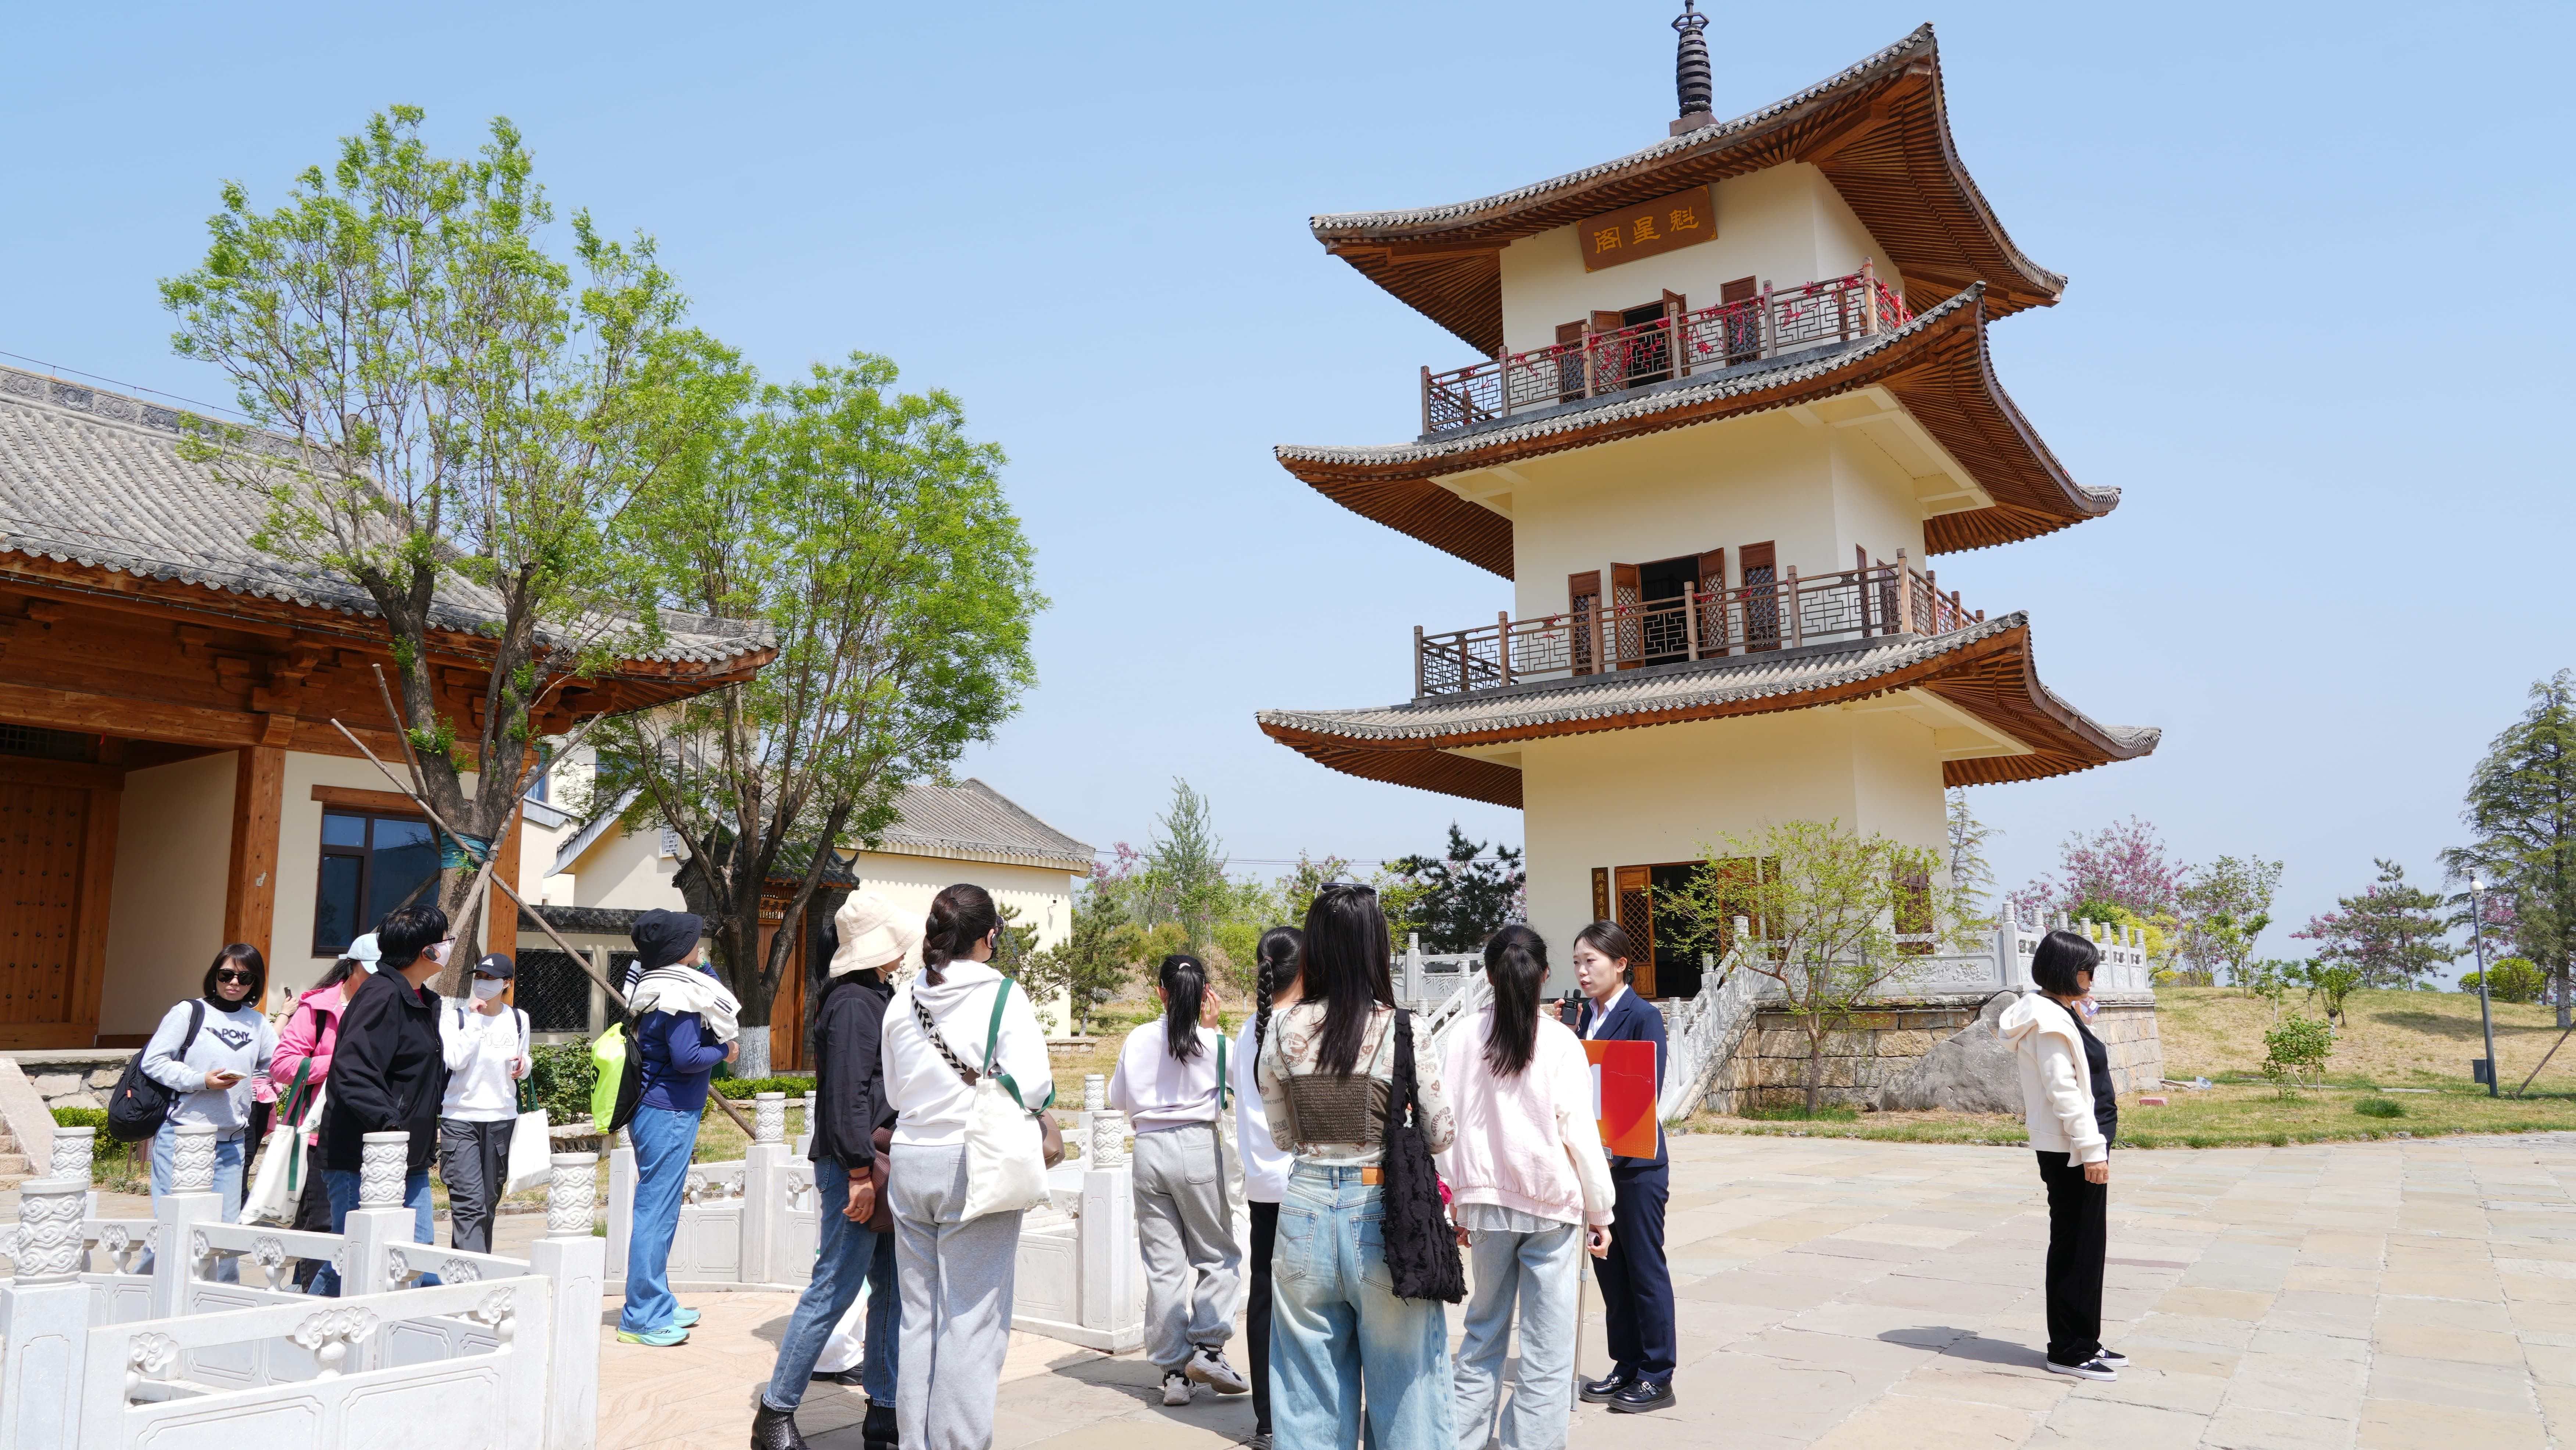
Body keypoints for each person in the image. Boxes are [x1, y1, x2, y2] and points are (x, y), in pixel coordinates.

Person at [1256, 882, 1457, 1450]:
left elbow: (1281, 1136)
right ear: (1376, 947)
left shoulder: (1280, 1028)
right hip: (1384, 1217)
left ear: (1316, 948)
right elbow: (1442, 1134)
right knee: (1407, 1394)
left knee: (1306, 1397)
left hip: (1303, 1215)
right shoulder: (1402, 1028)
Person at [881, 883, 1056, 1450]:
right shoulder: (1005, 995)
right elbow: (1034, 1087)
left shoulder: (902, 999)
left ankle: (914, 1441)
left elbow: (894, 1086)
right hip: (975, 1161)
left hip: (911, 1160)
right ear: (989, 935)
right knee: (972, 1322)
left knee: (918, 1318)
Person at [1441, 925, 1615, 1450]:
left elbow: (1444, 1123)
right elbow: (1579, 1135)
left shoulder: (1463, 1036)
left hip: (1488, 1204)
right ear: (1544, 976)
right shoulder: (1562, 1042)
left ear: (1490, 976)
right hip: (1551, 1208)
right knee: (1547, 1351)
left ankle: (1460, 1441)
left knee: (1481, 1335)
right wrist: (1601, 1212)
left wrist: (1461, 1201)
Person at [752, 891, 912, 1450]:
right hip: (857, 1163)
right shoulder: (851, 1002)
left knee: (891, 1287)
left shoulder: (875, 994)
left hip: (880, 1161)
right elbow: (847, 1096)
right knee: (835, 1287)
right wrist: (860, 1173)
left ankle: (885, 1407)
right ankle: (776, 1411)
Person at [1109, 953, 1248, 1409]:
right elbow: (1239, 1093)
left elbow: (1118, 1099)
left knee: (1164, 1265)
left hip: (1148, 1150)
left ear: (1161, 992)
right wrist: (1212, 1029)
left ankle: (1173, 1371)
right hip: (1195, 1146)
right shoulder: (1216, 1042)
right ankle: (1208, 1348)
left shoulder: (1137, 1037)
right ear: (1206, 992)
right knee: (1217, 1252)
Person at [1998, 929, 2124, 1382]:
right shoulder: (2047, 1022)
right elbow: (2064, 1091)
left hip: (2083, 1146)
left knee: (2090, 1247)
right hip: (2072, 1151)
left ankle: (2086, 1339)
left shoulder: (2060, 1012)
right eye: (2086, 969)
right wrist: (2092, 1150)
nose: (2092, 977)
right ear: (2068, 970)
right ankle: (2068, 1349)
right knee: (2075, 1248)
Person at [314, 907, 452, 1296]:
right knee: (353, 1263)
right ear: (426, 951)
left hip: (408, 1158)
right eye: (445, 939)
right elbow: (352, 1073)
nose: (449, 947)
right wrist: (392, 1126)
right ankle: (294, 1333)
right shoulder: (382, 994)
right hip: (364, 1156)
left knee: (415, 1261)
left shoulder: (423, 999)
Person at [618, 907, 739, 1347]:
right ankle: (640, 1317)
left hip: (660, 1110)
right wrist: (725, 1049)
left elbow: (712, 990)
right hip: (667, 1111)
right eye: (694, 940)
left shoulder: (659, 984)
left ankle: (660, 1301)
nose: (700, 943)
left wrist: (702, 964)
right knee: (655, 1212)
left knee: (663, 1210)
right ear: (677, 951)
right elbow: (688, 1058)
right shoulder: (679, 996)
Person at [1569, 920, 1676, 1414]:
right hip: (1594, 1165)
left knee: (1644, 1267)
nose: (1583, 971)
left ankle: (1658, 1374)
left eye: (1591, 961)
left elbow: (1642, 1093)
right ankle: (1627, 1364)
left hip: (1635, 1166)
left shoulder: (1642, 1016)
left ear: (1620, 964)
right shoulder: (1580, 1018)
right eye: (1577, 962)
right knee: (1610, 1270)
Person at [140, 943, 278, 1270]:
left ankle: (221, 1307)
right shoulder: (189, 1012)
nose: (234, 983)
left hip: (232, 1143)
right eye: (226, 974)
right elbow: (154, 1061)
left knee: (226, 1236)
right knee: (171, 1232)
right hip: (183, 1136)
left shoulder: (258, 1024)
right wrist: (201, 1080)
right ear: (214, 975)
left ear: (254, 982)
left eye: (244, 977)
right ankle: (143, 1295)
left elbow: (278, 1064)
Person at [1233, 926, 1303, 1450]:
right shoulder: (1301, 1027)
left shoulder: (1245, 1031)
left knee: (1264, 1294)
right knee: (1310, 1304)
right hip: (1303, 1180)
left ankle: (1267, 1421)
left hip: (1262, 1179)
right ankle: (1305, 1410)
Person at [266, 946, 369, 1289]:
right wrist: (338, 1062)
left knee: (353, 1228)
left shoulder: (384, 1006)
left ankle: (308, 1293)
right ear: (352, 968)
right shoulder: (317, 1008)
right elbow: (282, 1066)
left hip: (368, 1134)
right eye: (371, 970)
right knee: (323, 1226)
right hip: (317, 1135)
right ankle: (314, 1309)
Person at [438, 952, 530, 1254]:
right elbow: (455, 1060)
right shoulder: (457, 1018)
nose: (483, 984)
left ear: (507, 984)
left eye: (491, 979)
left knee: (488, 1203)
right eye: (479, 977)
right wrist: (476, 1019)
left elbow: (524, 1060)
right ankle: (473, 1280)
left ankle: (467, 1269)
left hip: (502, 1118)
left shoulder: (518, 1018)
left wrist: (523, 1065)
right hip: (460, 1118)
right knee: (469, 1204)